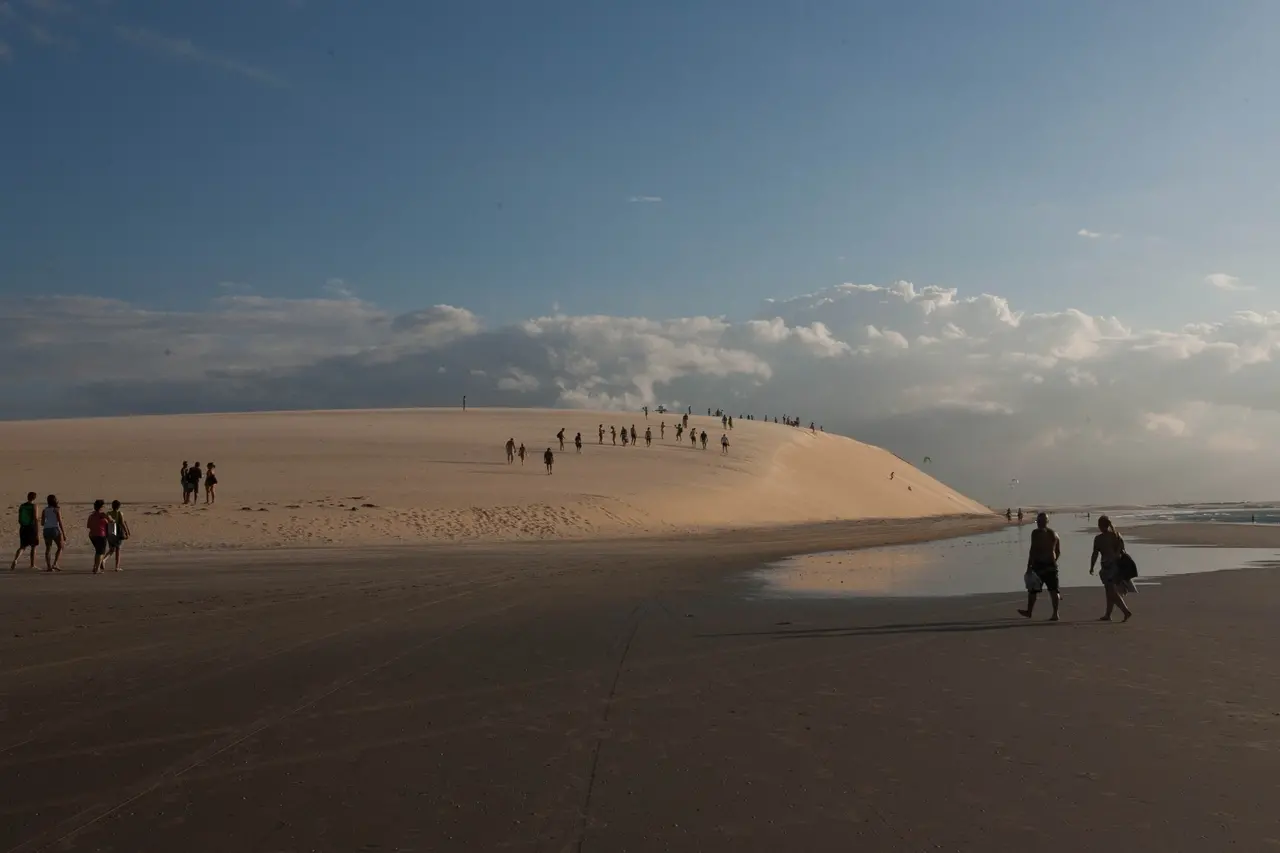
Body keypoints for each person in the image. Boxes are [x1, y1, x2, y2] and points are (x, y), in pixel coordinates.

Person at [1019, 512, 1061, 620]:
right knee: (1052, 590)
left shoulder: (1036, 533)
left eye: (1040, 521)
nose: (1039, 523)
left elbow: (1033, 550)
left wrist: (1029, 566)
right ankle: (1054, 614)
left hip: (1040, 565)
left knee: (1035, 590)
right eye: (1038, 521)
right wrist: (1054, 561)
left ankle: (1030, 612)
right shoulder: (1055, 534)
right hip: (1050, 565)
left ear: (1045, 522)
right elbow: (1058, 552)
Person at [1090, 515, 1133, 621]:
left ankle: (1125, 611)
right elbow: (1122, 551)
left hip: (1108, 566)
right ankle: (1108, 614)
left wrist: (1091, 566)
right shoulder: (1116, 535)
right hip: (1117, 566)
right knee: (1109, 590)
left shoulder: (1099, 538)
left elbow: (1095, 554)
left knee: (1111, 592)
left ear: (1100, 526)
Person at [12, 492, 39, 571]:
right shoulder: (34, 506)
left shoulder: (22, 506)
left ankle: (16, 559)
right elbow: (36, 518)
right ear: (34, 498)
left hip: (23, 527)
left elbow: (19, 519)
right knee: (33, 546)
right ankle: (32, 564)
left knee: (22, 546)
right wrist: (37, 531)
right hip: (31, 527)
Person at [87, 499, 111, 574]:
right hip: (101, 535)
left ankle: (95, 566)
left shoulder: (91, 515)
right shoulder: (102, 514)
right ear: (101, 506)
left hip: (92, 535)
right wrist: (108, 518)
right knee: (101, 552)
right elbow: (111, 521)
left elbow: (88, 525)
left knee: (98, 551)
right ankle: (97, 569)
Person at [41, 494, 65, 572]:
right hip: (55, 529)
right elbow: (60, 522)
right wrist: (64, 533)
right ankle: (54, 563)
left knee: (48, 548)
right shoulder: (56, 510)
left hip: (46, 530)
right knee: (60, 547)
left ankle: (49, 567)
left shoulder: (44, 510)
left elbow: (42, 523)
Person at [106, 500, 130, 572]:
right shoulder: (119, 513)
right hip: (118, 533)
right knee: (118, 550)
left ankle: (103, 560)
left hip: (110, 532)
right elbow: (122, 523)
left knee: (111, 549)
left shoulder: (108, 513)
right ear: (119, 507)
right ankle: (117, 567)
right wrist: (127, 532)